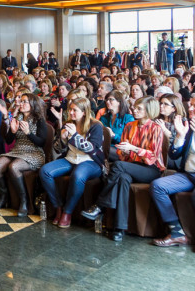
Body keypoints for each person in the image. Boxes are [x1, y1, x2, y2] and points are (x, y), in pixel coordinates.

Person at [82, 96, 165, 242]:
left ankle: (99, 205)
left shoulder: (156, 128)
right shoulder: (129, 126)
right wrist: (125, 151)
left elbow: (153, 156)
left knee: (118, 166)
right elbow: (121, 153)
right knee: (122, 178)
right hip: (131, 165)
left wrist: (133, 148)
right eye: (135, 107)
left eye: (139, 108)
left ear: (149, 111)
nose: (134, 110)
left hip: (150, 169)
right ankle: (119, 229)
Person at [40, 98, 105, 228]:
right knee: (45, 171)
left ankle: (67, 212)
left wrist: (75, 135)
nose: (71, 113)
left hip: (90, 162)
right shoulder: (68, 123)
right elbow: (58, 149)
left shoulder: (95, 126)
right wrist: (63, 139)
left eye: (74, 110)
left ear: (84, 112)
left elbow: (92, 148)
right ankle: (58, 206)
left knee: (78, 176)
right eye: (70, 109)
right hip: (71, 159)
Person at [0, 93, 47, 216]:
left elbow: (41, 142)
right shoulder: (17, 117)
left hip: (34, 152)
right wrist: (12, 131)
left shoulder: (39, 120)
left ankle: (24, 201)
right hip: (17, 151)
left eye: (24, 101)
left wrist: (28, 133)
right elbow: (9, 140)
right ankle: (4, 197)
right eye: (21, 101)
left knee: (14, 167)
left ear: (32, 104)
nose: (20, 103)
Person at [148, 95, 195, 247]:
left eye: (194, 106)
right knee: (157, 186)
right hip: (188, 174)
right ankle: (176, 232)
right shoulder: (188, 126)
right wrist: (180, 136)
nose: (191, 108)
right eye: (191, 105)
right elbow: (174, 154)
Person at [100, 90, 134, 161]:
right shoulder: (104, 118)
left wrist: (113, 135)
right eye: (107, 100)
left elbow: (129, 140)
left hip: (121, 150)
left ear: (119, 102)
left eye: (111, 99)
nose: (107, 102)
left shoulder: (128, 118)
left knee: (99, 150)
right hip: (105, 146)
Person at [155, 94, 186, 169]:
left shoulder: (181, 122)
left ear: (174, 108)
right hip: (157, 152)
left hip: (172, 156)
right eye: (161, 103)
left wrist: (164, 129)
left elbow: (175, 144)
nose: (161, 106)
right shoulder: (156, 119)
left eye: (165, 104)